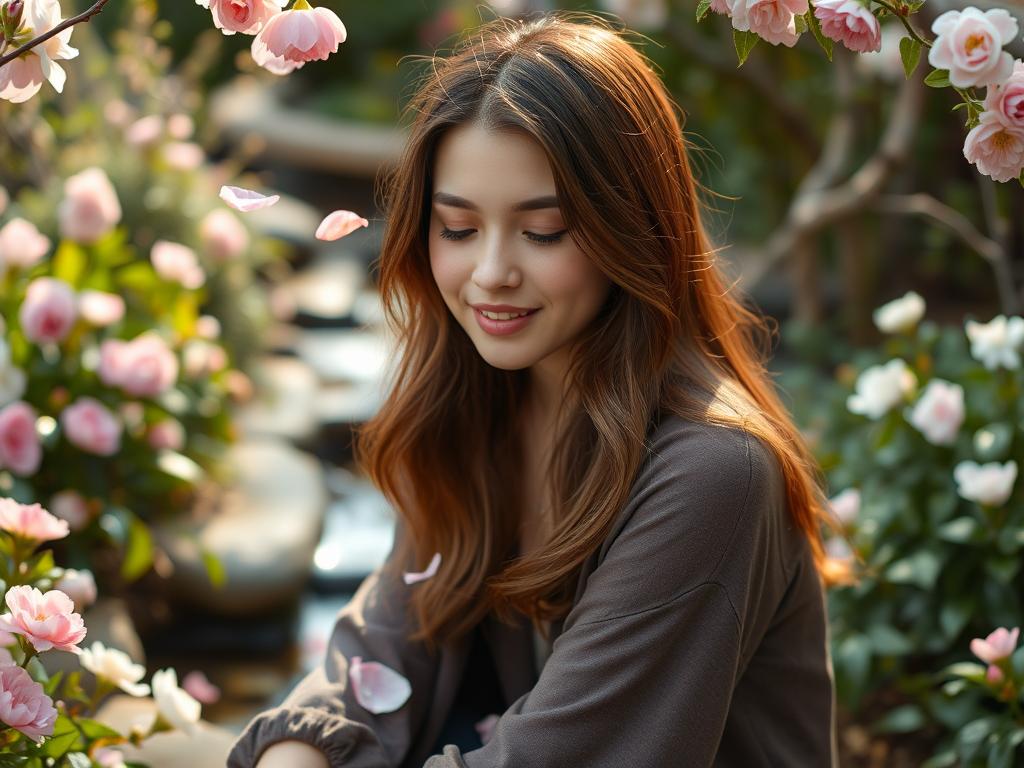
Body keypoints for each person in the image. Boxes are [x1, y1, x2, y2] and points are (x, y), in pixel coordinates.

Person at [228, 10, 853, 768]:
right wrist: (298, 750)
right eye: (457, 229)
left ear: (632, 228)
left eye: (545, 230)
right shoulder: (483, 401)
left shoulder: (712, 475)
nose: (491, 272)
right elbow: (387, 641)